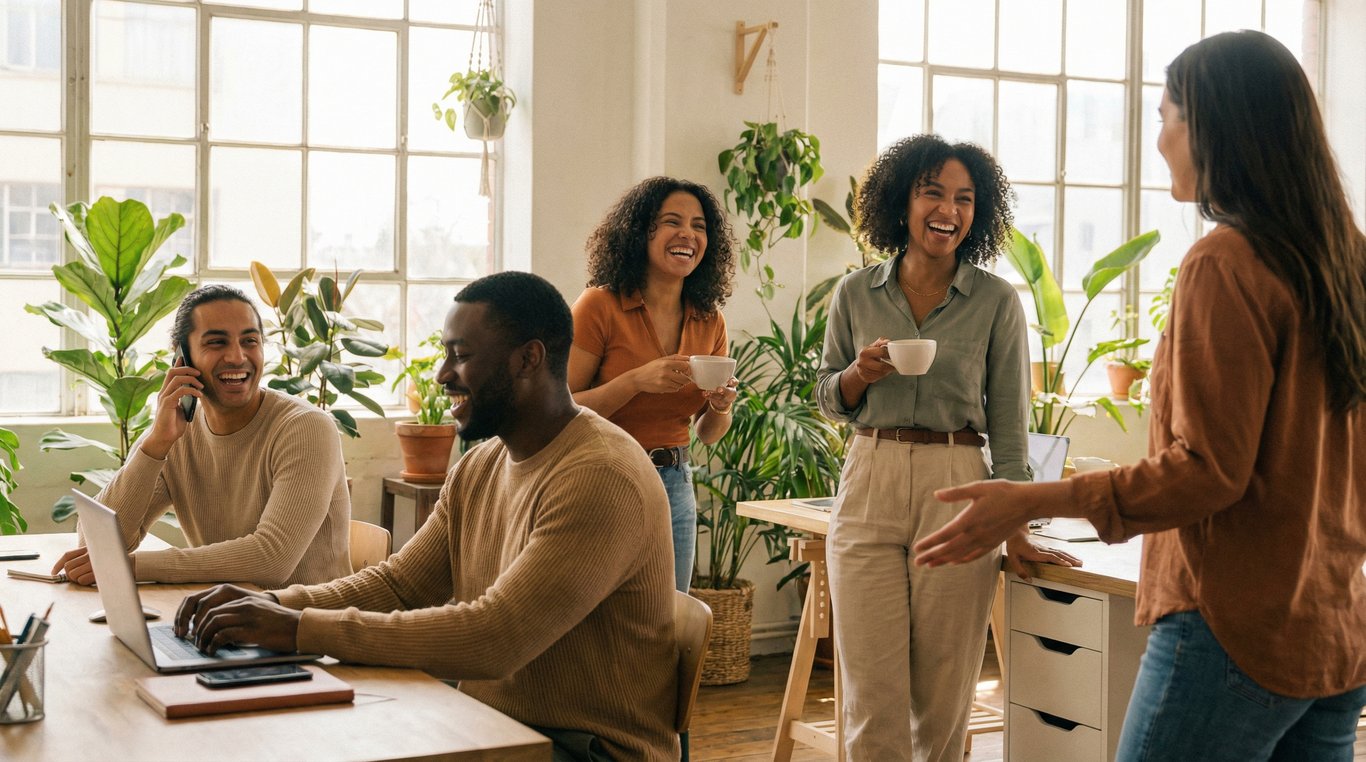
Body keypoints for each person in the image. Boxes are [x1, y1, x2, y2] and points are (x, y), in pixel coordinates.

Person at [914, 31, 1366, 762]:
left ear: (1215, 126)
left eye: (1166, 117)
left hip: (1235, 631)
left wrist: (1030, 499)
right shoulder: (1347, 259)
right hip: (1335, 628)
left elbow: (1206, 471)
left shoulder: (1226, 261)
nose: (1158, 141)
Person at [176, 272, 679, 761]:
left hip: (581, 748)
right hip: (489, 727)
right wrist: (272, 604)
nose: (442, 376)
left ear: (528, 359)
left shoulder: (601, 476)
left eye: (460, 357)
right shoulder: (483, 463)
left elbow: (496, 637)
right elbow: (400, 585)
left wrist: (296, 628)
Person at [815, 134, 1080, 761]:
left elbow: (1012, 427)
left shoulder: (995, 301)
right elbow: (828, 394)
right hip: (869, 475)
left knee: (944, 690)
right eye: (932, 191)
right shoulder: (855, 293)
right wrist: (858, 375)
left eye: (964, 198)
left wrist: (1015, 525)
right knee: (869, 691)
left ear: (977, 212)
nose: (948, 209)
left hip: (959, 478)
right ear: (901, 202)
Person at [51, 284, 351, 588]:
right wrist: (155, 445)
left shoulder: (307, 427)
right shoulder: (177, 431)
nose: (237, 357)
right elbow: (93, 542)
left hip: (306, 625)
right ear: (183, 358)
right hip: (223, 618)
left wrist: (133, 566)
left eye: (250, 341)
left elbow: (271, 559)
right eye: (217, 342)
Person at [568, 176, 738, 594]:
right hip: (603, 476)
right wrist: (636, 381)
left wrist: (720, 405)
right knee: (600, 617)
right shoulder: (599, 305)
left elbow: (708, 433)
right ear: (641, 232)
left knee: (668, 617)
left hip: (674, 480)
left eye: (699, 226)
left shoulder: (709, 319)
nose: (688, 234)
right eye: (672, 222)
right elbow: (561, 407)